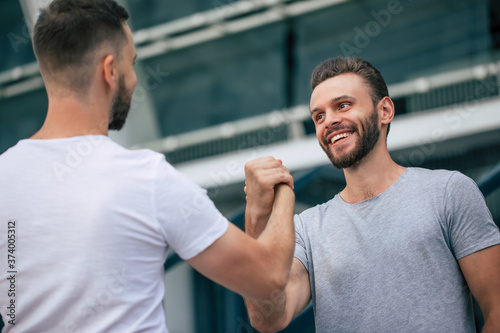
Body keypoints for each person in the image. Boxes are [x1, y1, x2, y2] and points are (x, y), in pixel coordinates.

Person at [0, 0, 296, 332]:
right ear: (110, 70)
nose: (134, 77)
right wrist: (283, 189)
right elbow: (268, 279)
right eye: (132, 63)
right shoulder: (146, 177)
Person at [244, 56, 500, 332]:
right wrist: (256, 216)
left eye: (343, 105)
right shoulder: (306, 229)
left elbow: (496, 306)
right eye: (319, 116)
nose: (329, 121)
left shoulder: (448, 192)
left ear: (385, 111)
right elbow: (268, 318)